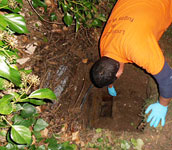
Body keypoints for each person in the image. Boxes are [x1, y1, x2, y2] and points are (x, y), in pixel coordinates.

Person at [90, 0, 172, 128]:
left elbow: (167, 79)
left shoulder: (140, 51)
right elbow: (106, 67)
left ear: (119, 73)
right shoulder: (104, 44)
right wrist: (110, 85)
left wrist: (163, 105)